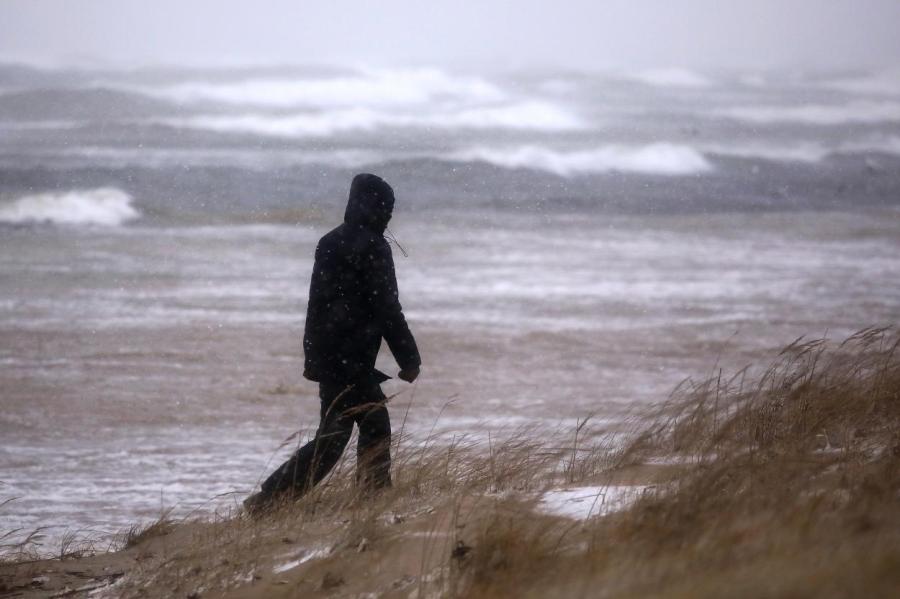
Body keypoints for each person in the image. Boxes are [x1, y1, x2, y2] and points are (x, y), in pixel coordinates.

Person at [244, 173, 420, 515]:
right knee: (369, 426)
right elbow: (387, 307)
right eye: (386, 208)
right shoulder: (374, 247)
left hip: (329, 354)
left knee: (337, 435)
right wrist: (409, 358)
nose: (388, 216)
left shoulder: (330, 242)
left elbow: (318, 305)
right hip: (351, 358)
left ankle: (271, 500)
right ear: (371, 206)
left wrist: (315, 354)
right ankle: (371, 499)